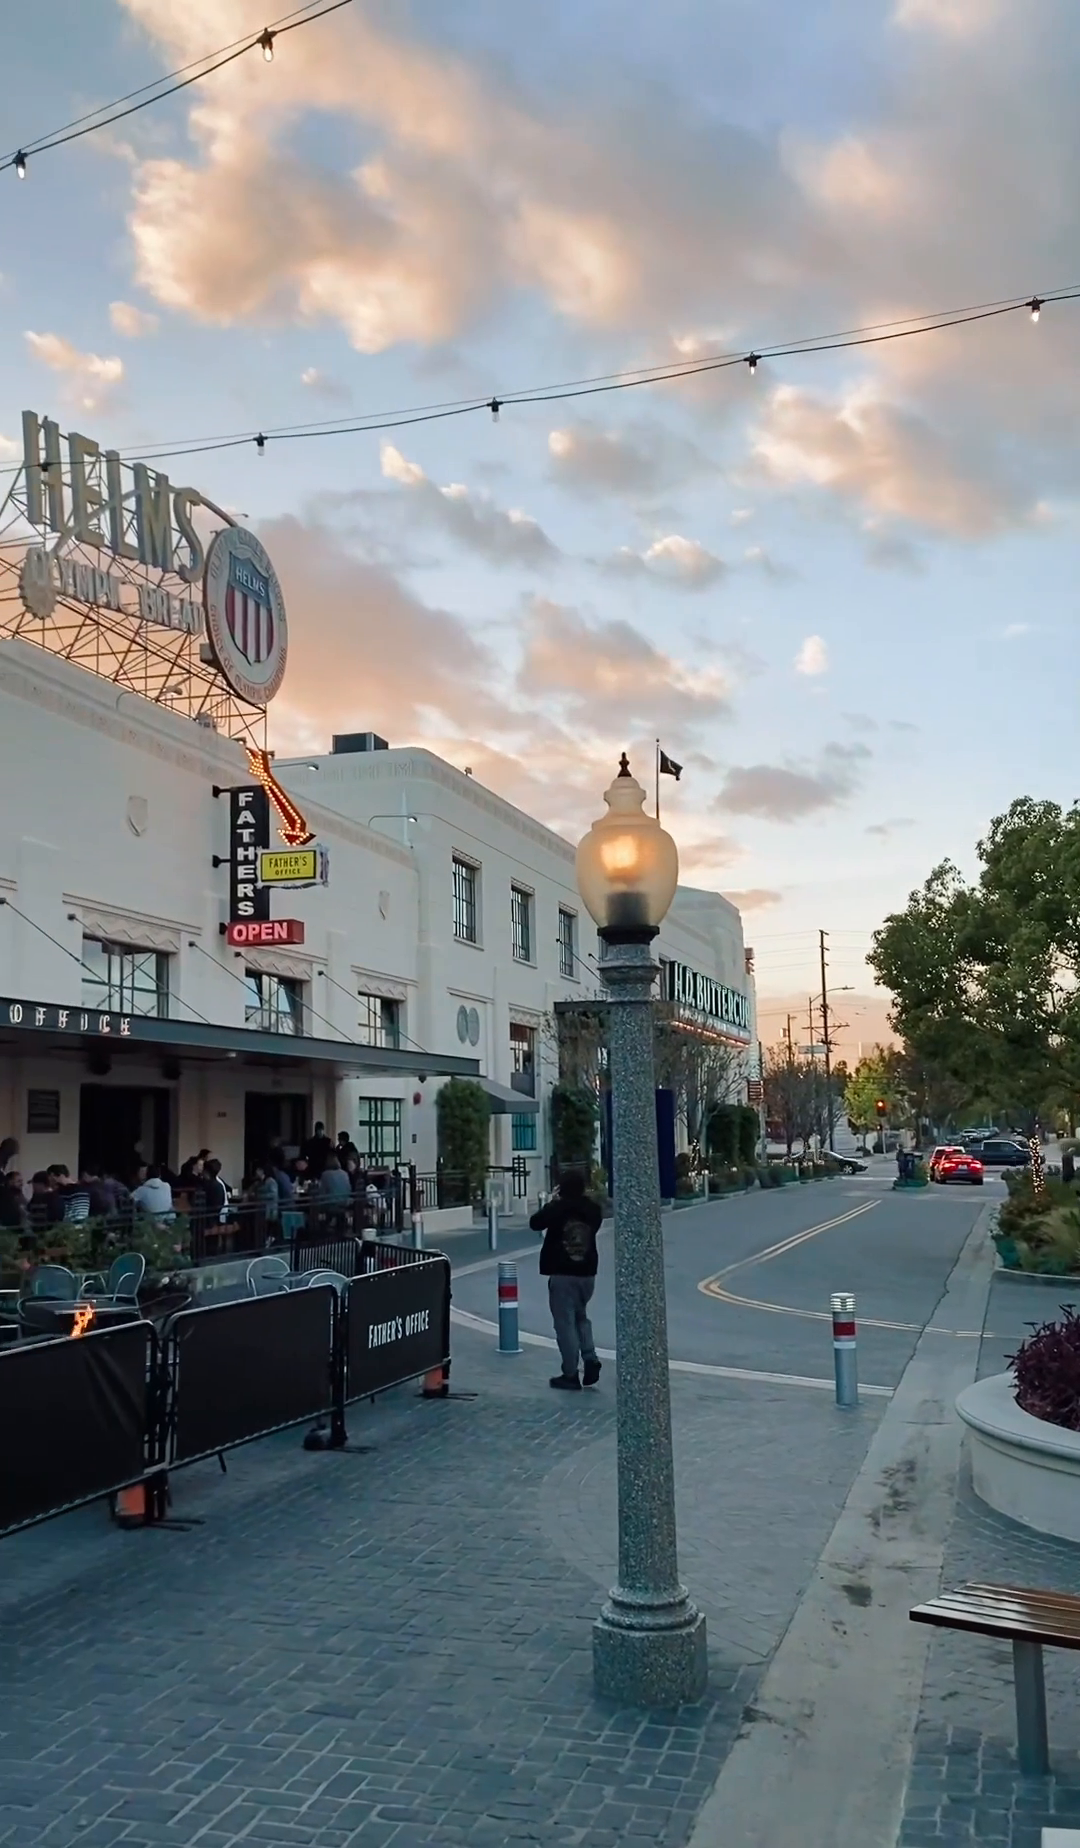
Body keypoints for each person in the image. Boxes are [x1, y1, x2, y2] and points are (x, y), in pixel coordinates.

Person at [530, 1171, 603, 1391]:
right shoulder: (593, 1210)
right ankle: (590, 1357)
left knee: (565, 1323)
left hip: (562, 1273)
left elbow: (536, 1223)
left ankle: (570, 1373)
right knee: (581, 1316)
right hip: (587, 1272)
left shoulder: (558, 1208)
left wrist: (554, 1201)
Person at [317, 1153, 352, 1223]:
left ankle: (320, 1226)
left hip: (331, 1203)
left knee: (315, 1206)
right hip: (345, 1202)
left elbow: (322, 1192)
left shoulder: (325, 1174)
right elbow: (349, 1189)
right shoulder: (344, 1173)